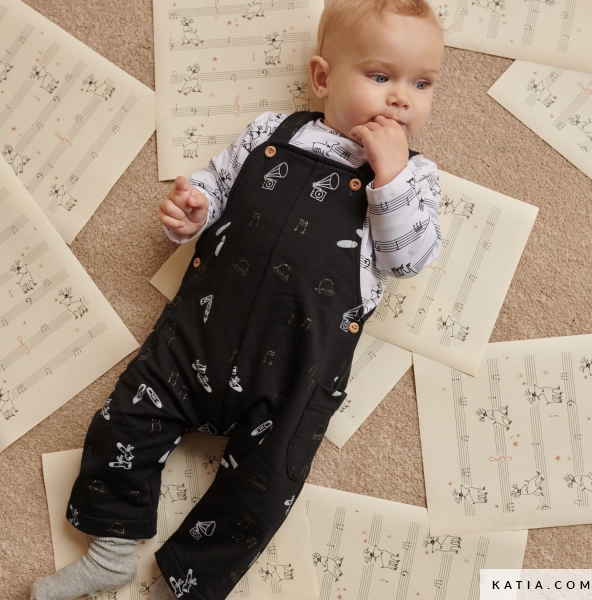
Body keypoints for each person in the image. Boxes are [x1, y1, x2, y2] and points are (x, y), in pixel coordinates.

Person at [31, 0, 444, 598]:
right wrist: (190, 209)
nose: (401, 97)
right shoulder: (269, 132)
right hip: (199, 332)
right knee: (123, 420)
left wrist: (391, 178)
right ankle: (112, 549)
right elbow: (214, 185)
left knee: (268, 481)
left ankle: (186, 582)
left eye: (422, 83)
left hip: (297, 369)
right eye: (381, 77)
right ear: (324, 78)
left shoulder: (416, 178)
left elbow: (407, 260)